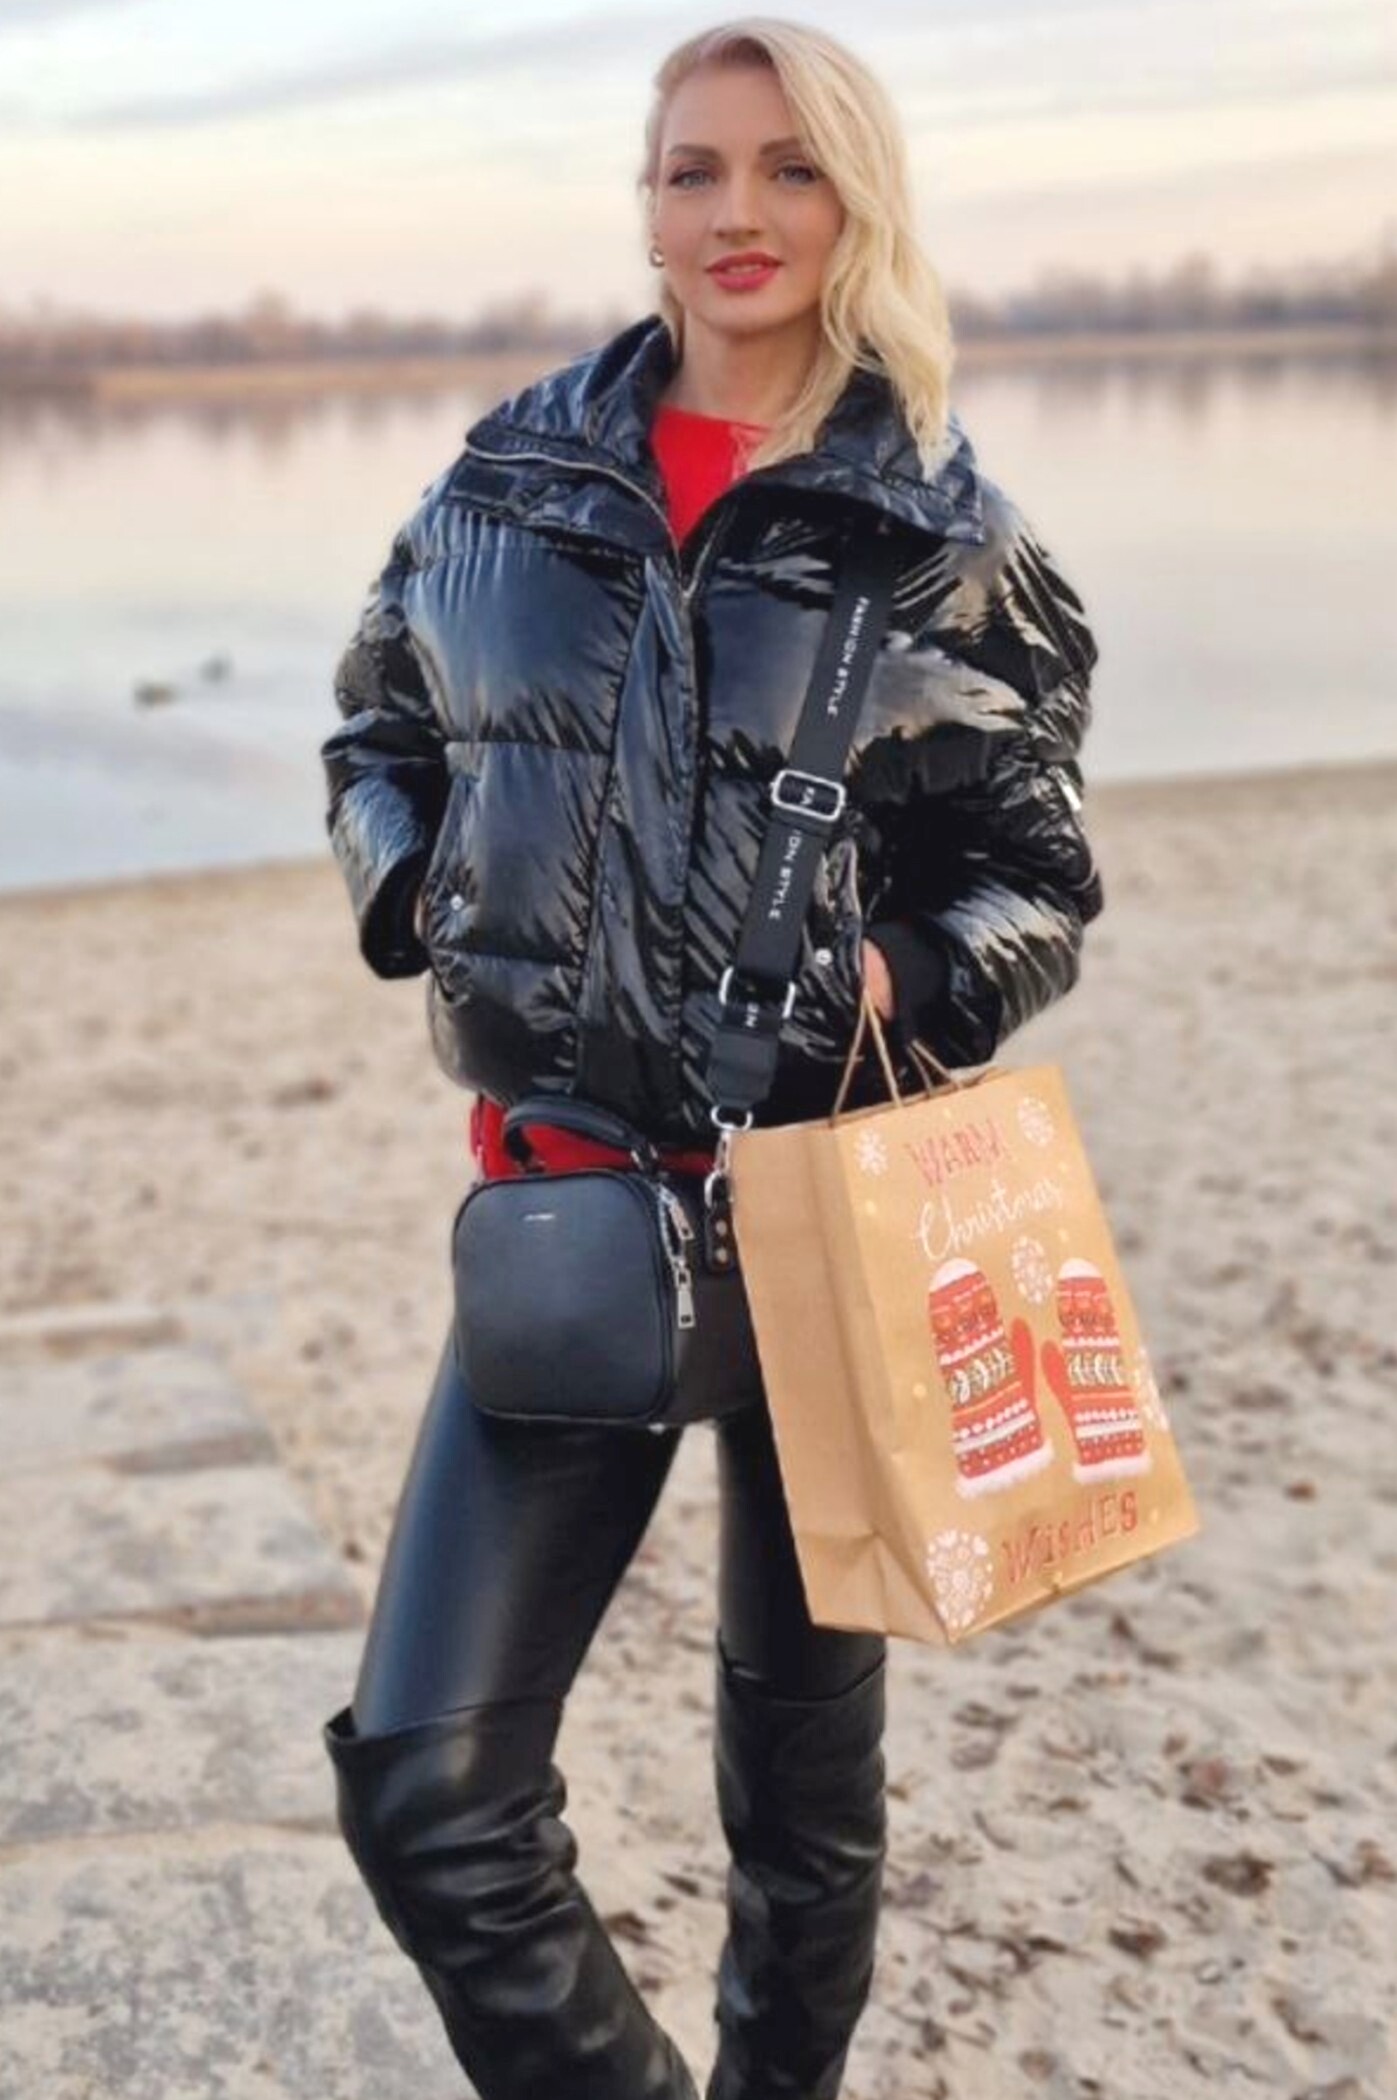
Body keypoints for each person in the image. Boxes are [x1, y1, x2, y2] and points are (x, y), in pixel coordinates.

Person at [317, 17, 1103, 2100]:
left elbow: (1037, 881)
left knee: (802, 1795)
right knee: (429, 1790)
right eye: (694, 169)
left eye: (789, 167)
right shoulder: (508, 485)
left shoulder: (947, 538)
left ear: (857, 202)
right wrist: (428, 894)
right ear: (646, 207)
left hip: (833, 1216)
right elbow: (375, 730)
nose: (737, 211)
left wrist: (908, 979)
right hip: (570, 1206)